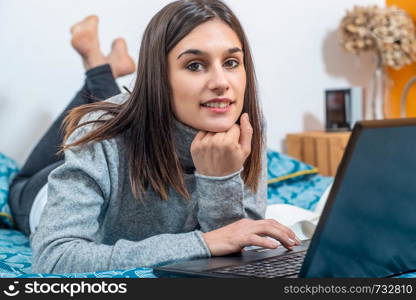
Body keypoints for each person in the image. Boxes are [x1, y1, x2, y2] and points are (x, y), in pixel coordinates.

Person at [11, 0, 300, 274]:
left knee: (119, 109)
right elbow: (55, 257)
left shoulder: (246, 124)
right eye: (195, 65)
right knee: (99, 119)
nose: (222, 83)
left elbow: (237, 242)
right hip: (39, 195)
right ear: (159, 76)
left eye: (231, 62)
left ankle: (104, 66)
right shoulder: (100, 135)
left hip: (137, 115)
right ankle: (98, 66)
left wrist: (219, 179)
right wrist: (203, 243)